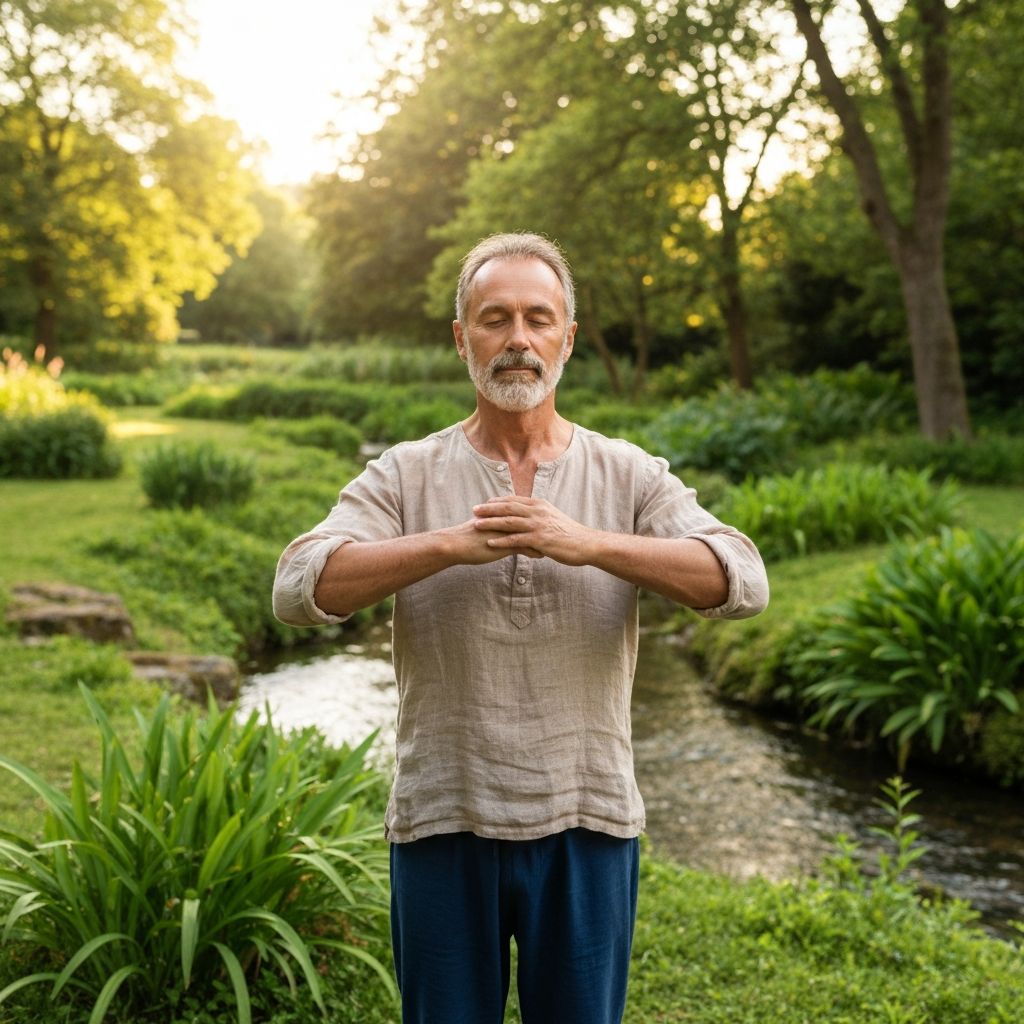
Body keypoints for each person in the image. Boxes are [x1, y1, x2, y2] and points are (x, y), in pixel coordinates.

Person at [272, 232, 769, 1024]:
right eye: (494, 318)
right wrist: (445, 545)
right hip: (442, 811)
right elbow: (297, 588)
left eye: (539, 319)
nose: (518, 340)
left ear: (566, 338)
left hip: (589, 814)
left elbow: (742, 580)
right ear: (462, 337)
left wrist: (588, 543)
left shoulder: (628, 472)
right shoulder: (404, 472)